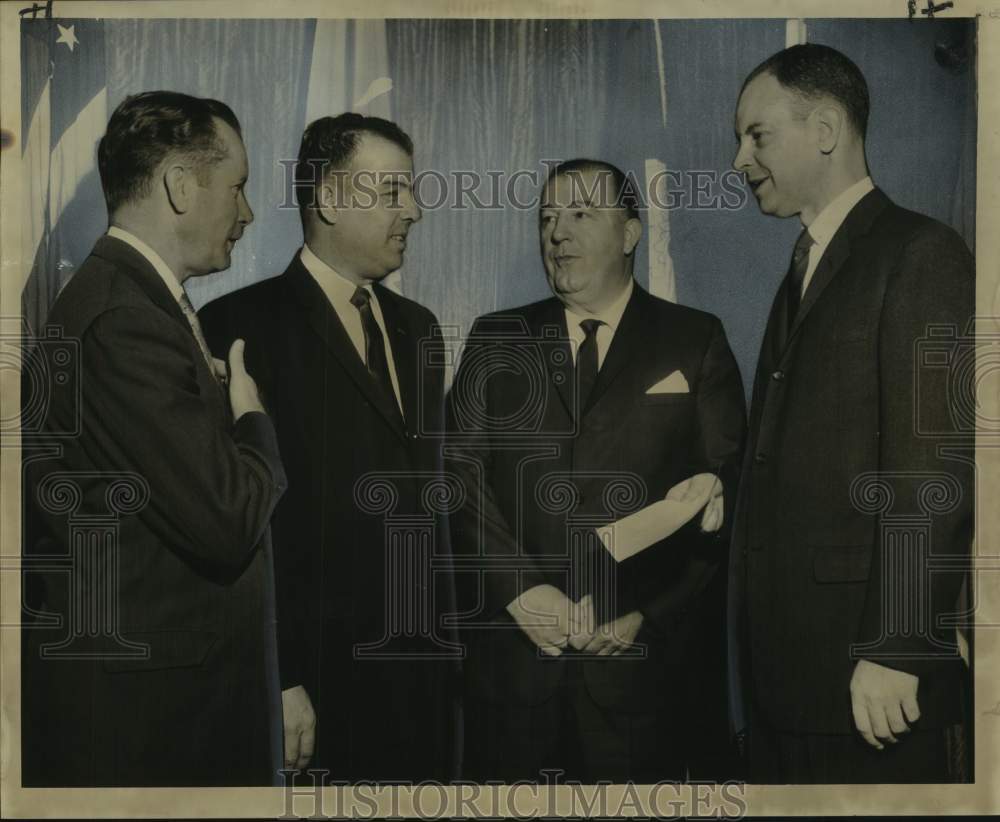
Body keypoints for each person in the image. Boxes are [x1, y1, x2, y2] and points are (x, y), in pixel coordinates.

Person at [446, 159, 746, 783]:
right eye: (548, 218)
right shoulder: (495, 338)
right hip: (515, 684)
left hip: (645, 685)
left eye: (581, 214)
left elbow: (726, 497)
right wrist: (524, 595)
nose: (558, 233)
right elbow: (458, 478)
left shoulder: (695, 339)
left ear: (631, 233)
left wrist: (643, 610)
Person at [21, 91, 287, 786]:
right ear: (178, 186)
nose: (248, 213)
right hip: (154, 726)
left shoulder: (135, 302)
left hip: (166, 709)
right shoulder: (123, 319)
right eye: (237, 187)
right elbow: (227, 519)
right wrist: (252, 418)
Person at [729, 43, 974, 783]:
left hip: (866, 686)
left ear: (827, 128)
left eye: (757, 135)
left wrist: (897, 649)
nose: (739, 160)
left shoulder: (922, 253)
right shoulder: (806, 267)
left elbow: (935, 465)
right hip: (792, 681)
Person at [200, 113, 458, 782]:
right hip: (311, 692)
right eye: (394, 191)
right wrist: (278, 677)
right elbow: (235, 526)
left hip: (423, 686)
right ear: (331, 200)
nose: (416, 210)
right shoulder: (236, 326)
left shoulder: (419, 329)